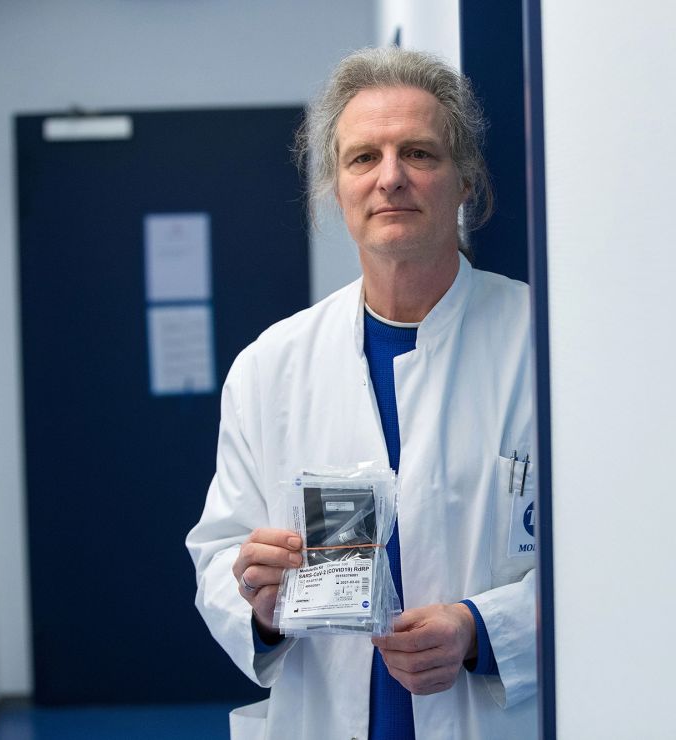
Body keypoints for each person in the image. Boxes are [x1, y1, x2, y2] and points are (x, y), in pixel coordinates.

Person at [186, 46, 537, 740]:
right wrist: (255, 600)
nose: (392, 178)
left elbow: (605, 561)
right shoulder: (271, 367)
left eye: (420, 153)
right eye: (363, 158)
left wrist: (483, 629)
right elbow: (218, 553)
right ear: (336, 186)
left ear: (465, 178)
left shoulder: (542, 344)